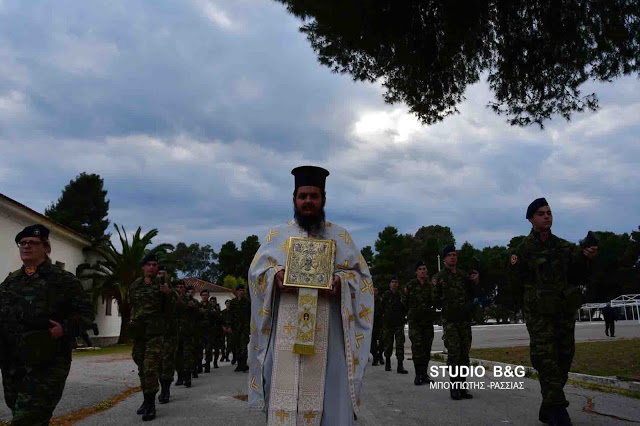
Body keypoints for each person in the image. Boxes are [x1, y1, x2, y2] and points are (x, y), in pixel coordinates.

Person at [248, 165, 373, 425]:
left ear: (323, 200)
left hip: (329, 335)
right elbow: (256, 274)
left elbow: (363, 280)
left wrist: (342, 281)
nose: (308, 201)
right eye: (303, 196)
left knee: (331, 397)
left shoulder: (341, 236)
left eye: (313, 196)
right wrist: (275, 277)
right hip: (286, 331)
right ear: (294, 199)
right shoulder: (277, 236)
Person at [510, 198, 597, 426]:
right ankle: (558, 411)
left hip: (563, 314)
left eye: (549, 212)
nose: (547, 216)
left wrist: (587, 258)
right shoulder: (522, 251)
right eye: (541, 213)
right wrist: (526, 309)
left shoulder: (565, 248)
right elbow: (514, 284)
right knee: (546, 360)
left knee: (564, 359)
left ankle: (547, 406)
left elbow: (580, 277)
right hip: (539, 317)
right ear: (531, 219)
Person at [0, 224, 95, 425]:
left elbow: (86, 314)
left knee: (27, 418)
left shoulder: (64, 281)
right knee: (21, 411)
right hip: (13, 364)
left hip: (48, 363)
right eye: (22, 243)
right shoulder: (10, 282)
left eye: (33, 243)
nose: (26, 247)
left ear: (46, 247)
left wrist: (65, 329)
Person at [129, 253, 173, 421]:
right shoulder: (135, 285)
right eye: (148, 264)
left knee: (150, 367)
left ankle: (151, 405)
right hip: (139, 333)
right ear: (143, 267)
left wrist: (168, 294)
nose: (152, 267)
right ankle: (145, 400)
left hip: (155, 333)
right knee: (140, 365)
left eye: (154, 265)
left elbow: (171, 311)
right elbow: (133, 306)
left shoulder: (163, 286)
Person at [433, 246, 479, 400]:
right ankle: (454, 387)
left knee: (464, 354)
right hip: (450, 320)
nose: (453, 258)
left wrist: (475, 282)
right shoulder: (439, 277)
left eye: (454, 255)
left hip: (464, 320)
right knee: (454, 353)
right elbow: (434, 298)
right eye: (450, 255)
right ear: (444, 258)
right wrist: (445, 306)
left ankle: (462, 387)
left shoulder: (462, 275)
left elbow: (472, 294)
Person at [404, 261, 436, 386]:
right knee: (417, 348)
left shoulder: (431, 286)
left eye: (424, 269)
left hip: (427, 322)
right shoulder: (410, 285)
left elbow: (436, 300)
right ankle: (418, 374)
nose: (423, 271)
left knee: (427, 348)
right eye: (420, 269)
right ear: (416, 271)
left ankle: (424, 374)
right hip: (415, 323)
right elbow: (404, 302)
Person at [157, 266, 178, 404]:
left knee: (168, 362)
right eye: (159, 273)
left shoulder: (174, 291)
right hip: (155, 332)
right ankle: (160, 387)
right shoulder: (151, 288)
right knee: (157, 363)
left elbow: (180, 306)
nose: (162, 275)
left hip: (170, 333)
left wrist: (168, 293)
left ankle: (165, 389)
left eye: (164, 273)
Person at [380, 277, 408, 374]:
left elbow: (405, 307)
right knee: (388, 344)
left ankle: (400, 365)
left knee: (400, 345)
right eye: (392, 282)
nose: (394, 284)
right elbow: (381, 308)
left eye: (396, 282)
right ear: (390, 284)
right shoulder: (386, 295)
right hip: (388, 324)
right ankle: (388, 362)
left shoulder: (400, 295)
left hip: (399, 323)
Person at [227, 284, 251, 372]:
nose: (241, 292)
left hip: (244, 328)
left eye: (242, 290)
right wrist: (229, 326)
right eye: (239, 290)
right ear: (236, 291)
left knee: (243, 346)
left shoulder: (247, 302)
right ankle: (239, 364)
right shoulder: (233, 302)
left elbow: (250, 314)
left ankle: (244, 364)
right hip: (235, 328)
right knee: (237, 347)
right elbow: (230, 315)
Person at [370, 287, 384, 366]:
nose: (375, 292)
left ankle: (380, 355)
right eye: (373, 290)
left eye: (376, 290)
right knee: (372, 342)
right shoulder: (368, 301)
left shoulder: (380, 301)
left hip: (380, 324)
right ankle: (375, 356)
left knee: (382, 341)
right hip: (372, 323)